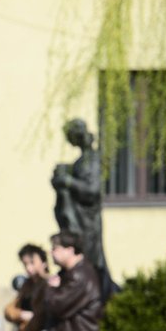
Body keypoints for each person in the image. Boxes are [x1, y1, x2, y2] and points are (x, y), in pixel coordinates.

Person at [50, 118, 116, 302]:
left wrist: (67, 181)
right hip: (80, 221)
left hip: (87, 223)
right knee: (84, 264)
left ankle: (97, 298)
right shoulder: (83, 160)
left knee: (91, 263)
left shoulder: (92, 159)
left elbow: (92, 192)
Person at [45, 230, 103, 331]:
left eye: (55, 248)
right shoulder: (69, 274)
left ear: (70, 250)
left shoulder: (80, 275)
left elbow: (57, 306)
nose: (51, 253)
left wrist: (51, 290)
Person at [4, 243, 49, 331]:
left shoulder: (48, 284)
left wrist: (26, 324)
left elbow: (40, 318)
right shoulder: (27, 286)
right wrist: (21, 314)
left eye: (32, 263)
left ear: (44, 263)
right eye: (25, 264)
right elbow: (9, 310)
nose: (29, 268)